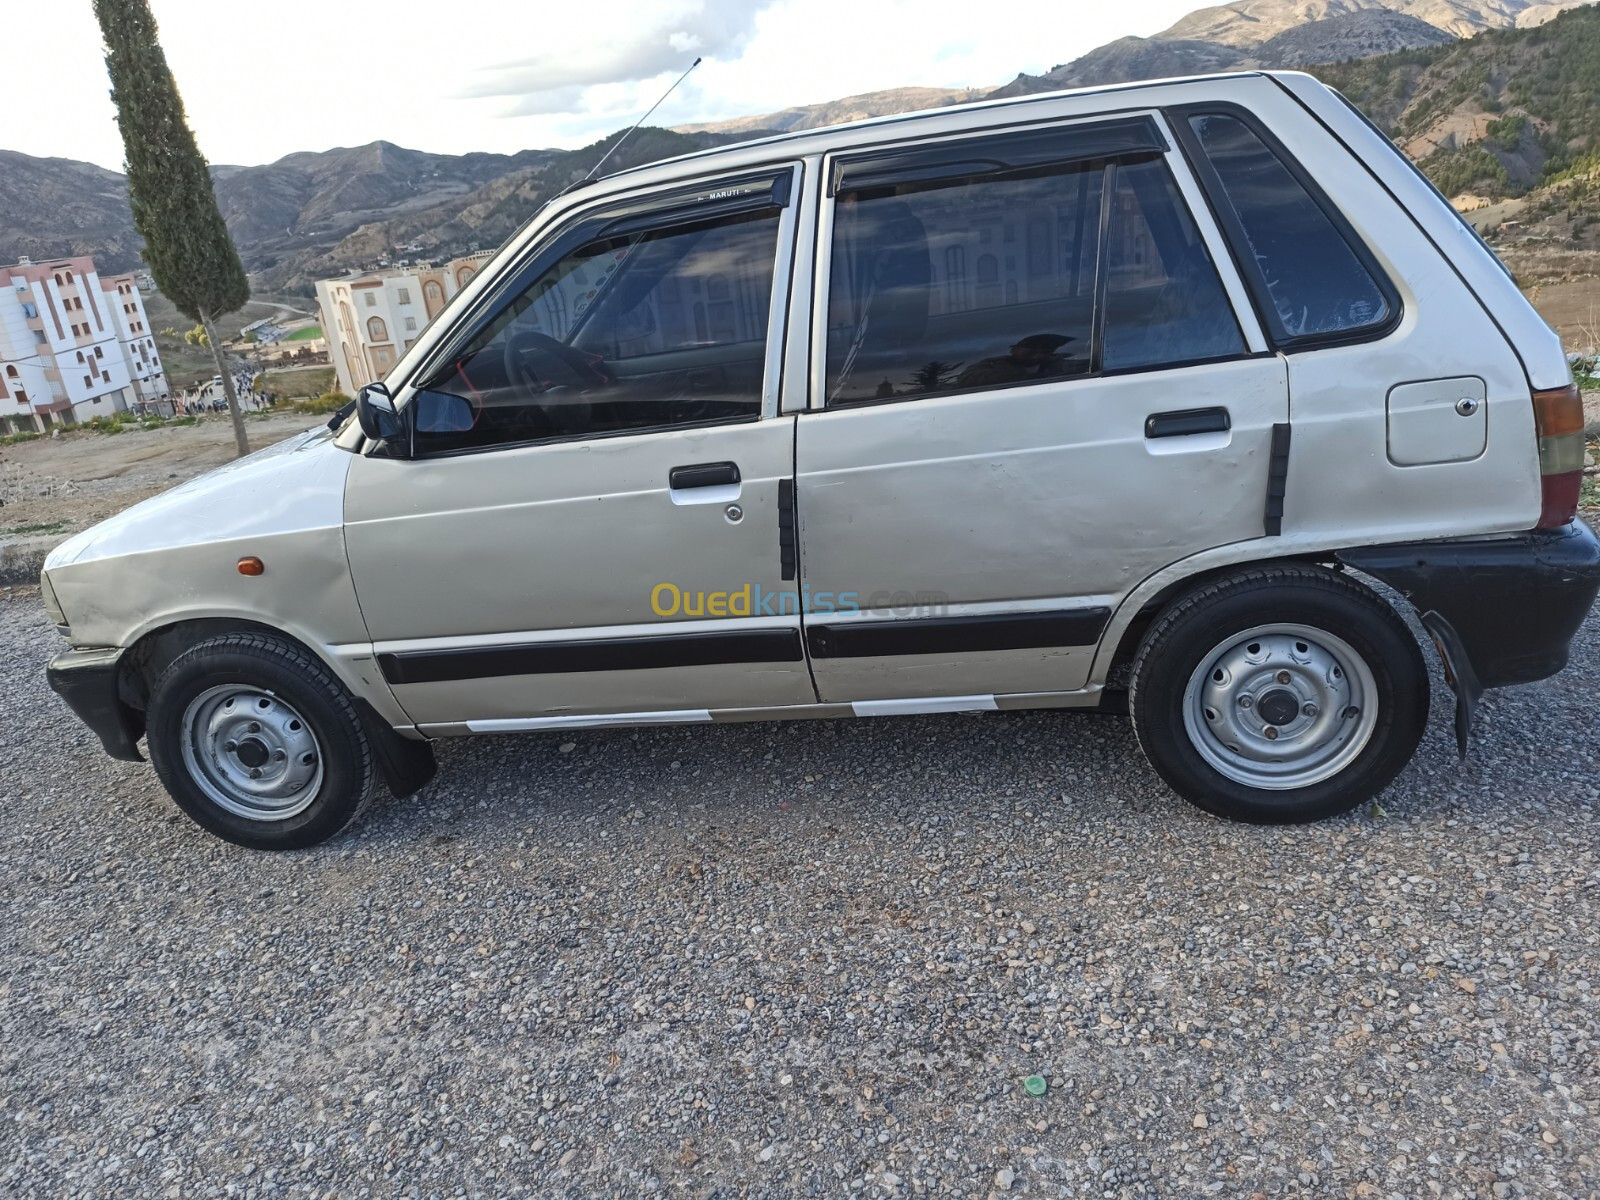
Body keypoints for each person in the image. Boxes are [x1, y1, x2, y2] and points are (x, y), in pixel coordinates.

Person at [956, 333, 1077, 389]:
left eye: (1045, 352)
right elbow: (965, 378)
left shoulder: (1060, 364)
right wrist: (1019, 377)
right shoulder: (993, 364)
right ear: (1014, 350)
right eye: (1031, 352)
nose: (1037, 356)